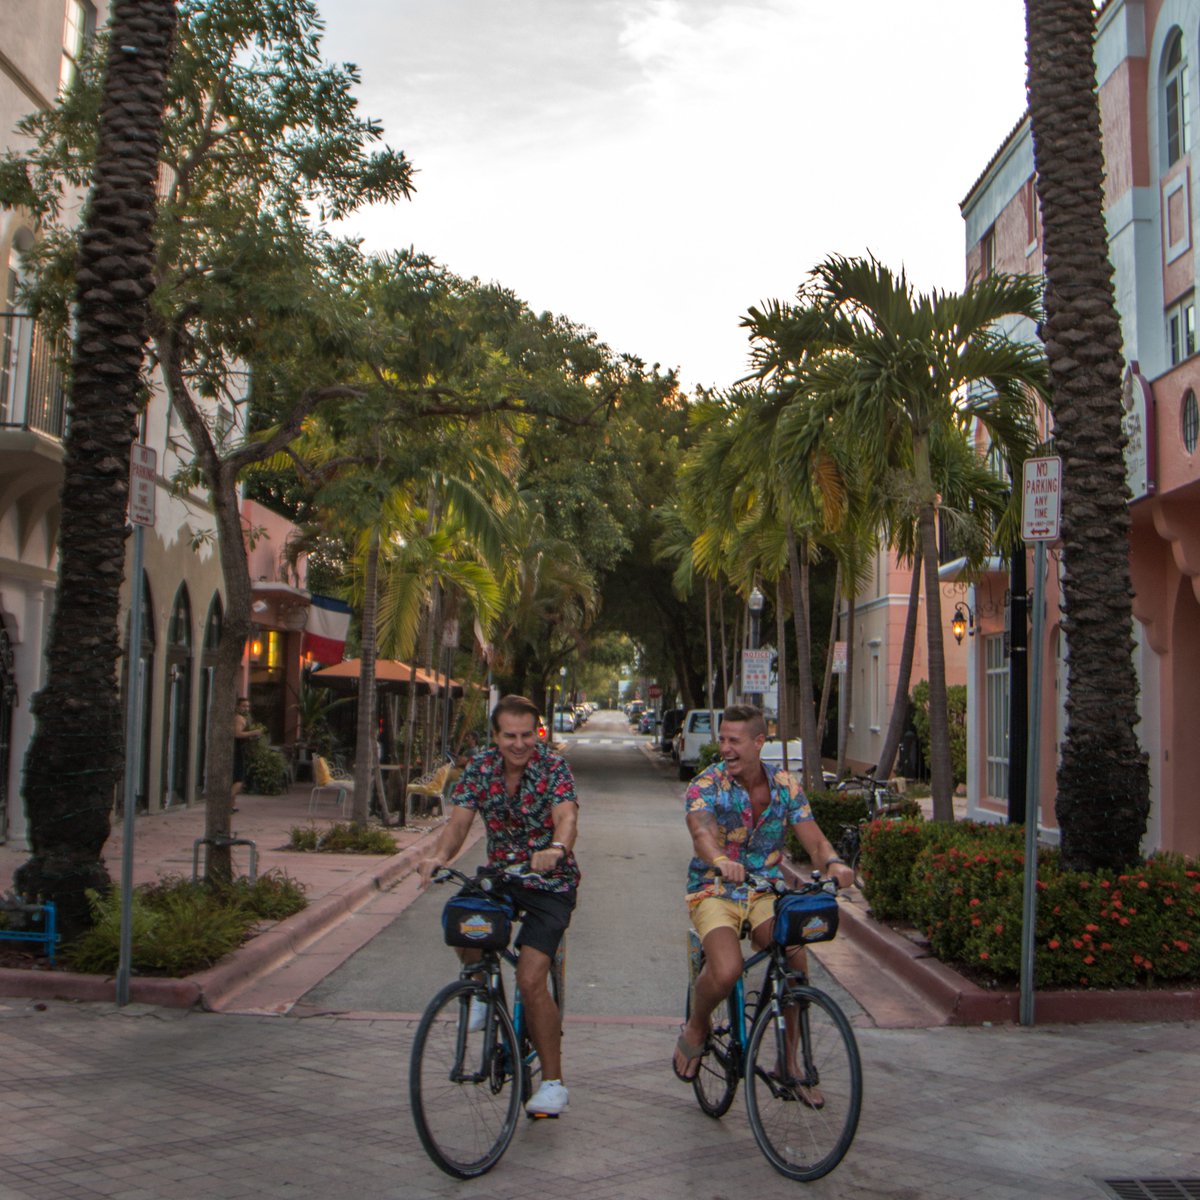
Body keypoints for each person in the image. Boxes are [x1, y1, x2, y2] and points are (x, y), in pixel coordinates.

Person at [673, 703, 855, 1095]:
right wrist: (720, 859)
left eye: (734, 740)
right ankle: (697, 1024)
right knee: (726, 970)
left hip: (765, 891)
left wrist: (836, 864)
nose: (725, 748)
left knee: (794, 959)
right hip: (714, 888)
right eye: (722, 739)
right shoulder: (706, 785)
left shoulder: (786, 787)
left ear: (759, 742)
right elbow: (702, 833)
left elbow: (816, 841)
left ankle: (788, 1064)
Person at [418, 694, 580, 1117]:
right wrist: (439, 858)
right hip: (503, 876)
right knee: (462, 914)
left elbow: (566, 816)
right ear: (495, 736)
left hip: (550, 883)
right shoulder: (480, 768)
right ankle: (479, 990)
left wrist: (557, 848)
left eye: (527, 734)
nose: (519, 743)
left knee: (530, 980)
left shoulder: (553, 768)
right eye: (510, 735)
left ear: (537, 734)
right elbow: (458, 824)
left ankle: (553, 1083)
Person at [231, 696, 262, 806]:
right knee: (238, 779)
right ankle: (226, 802)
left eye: (248, 706)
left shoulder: (242, 718)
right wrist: (253, 733)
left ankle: (231, 805)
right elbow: (237, 734)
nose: (246, 708)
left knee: (236, 779)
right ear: (237, 707)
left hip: (240, 749)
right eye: (243, 706)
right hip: (237, 750)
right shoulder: (239, 718)